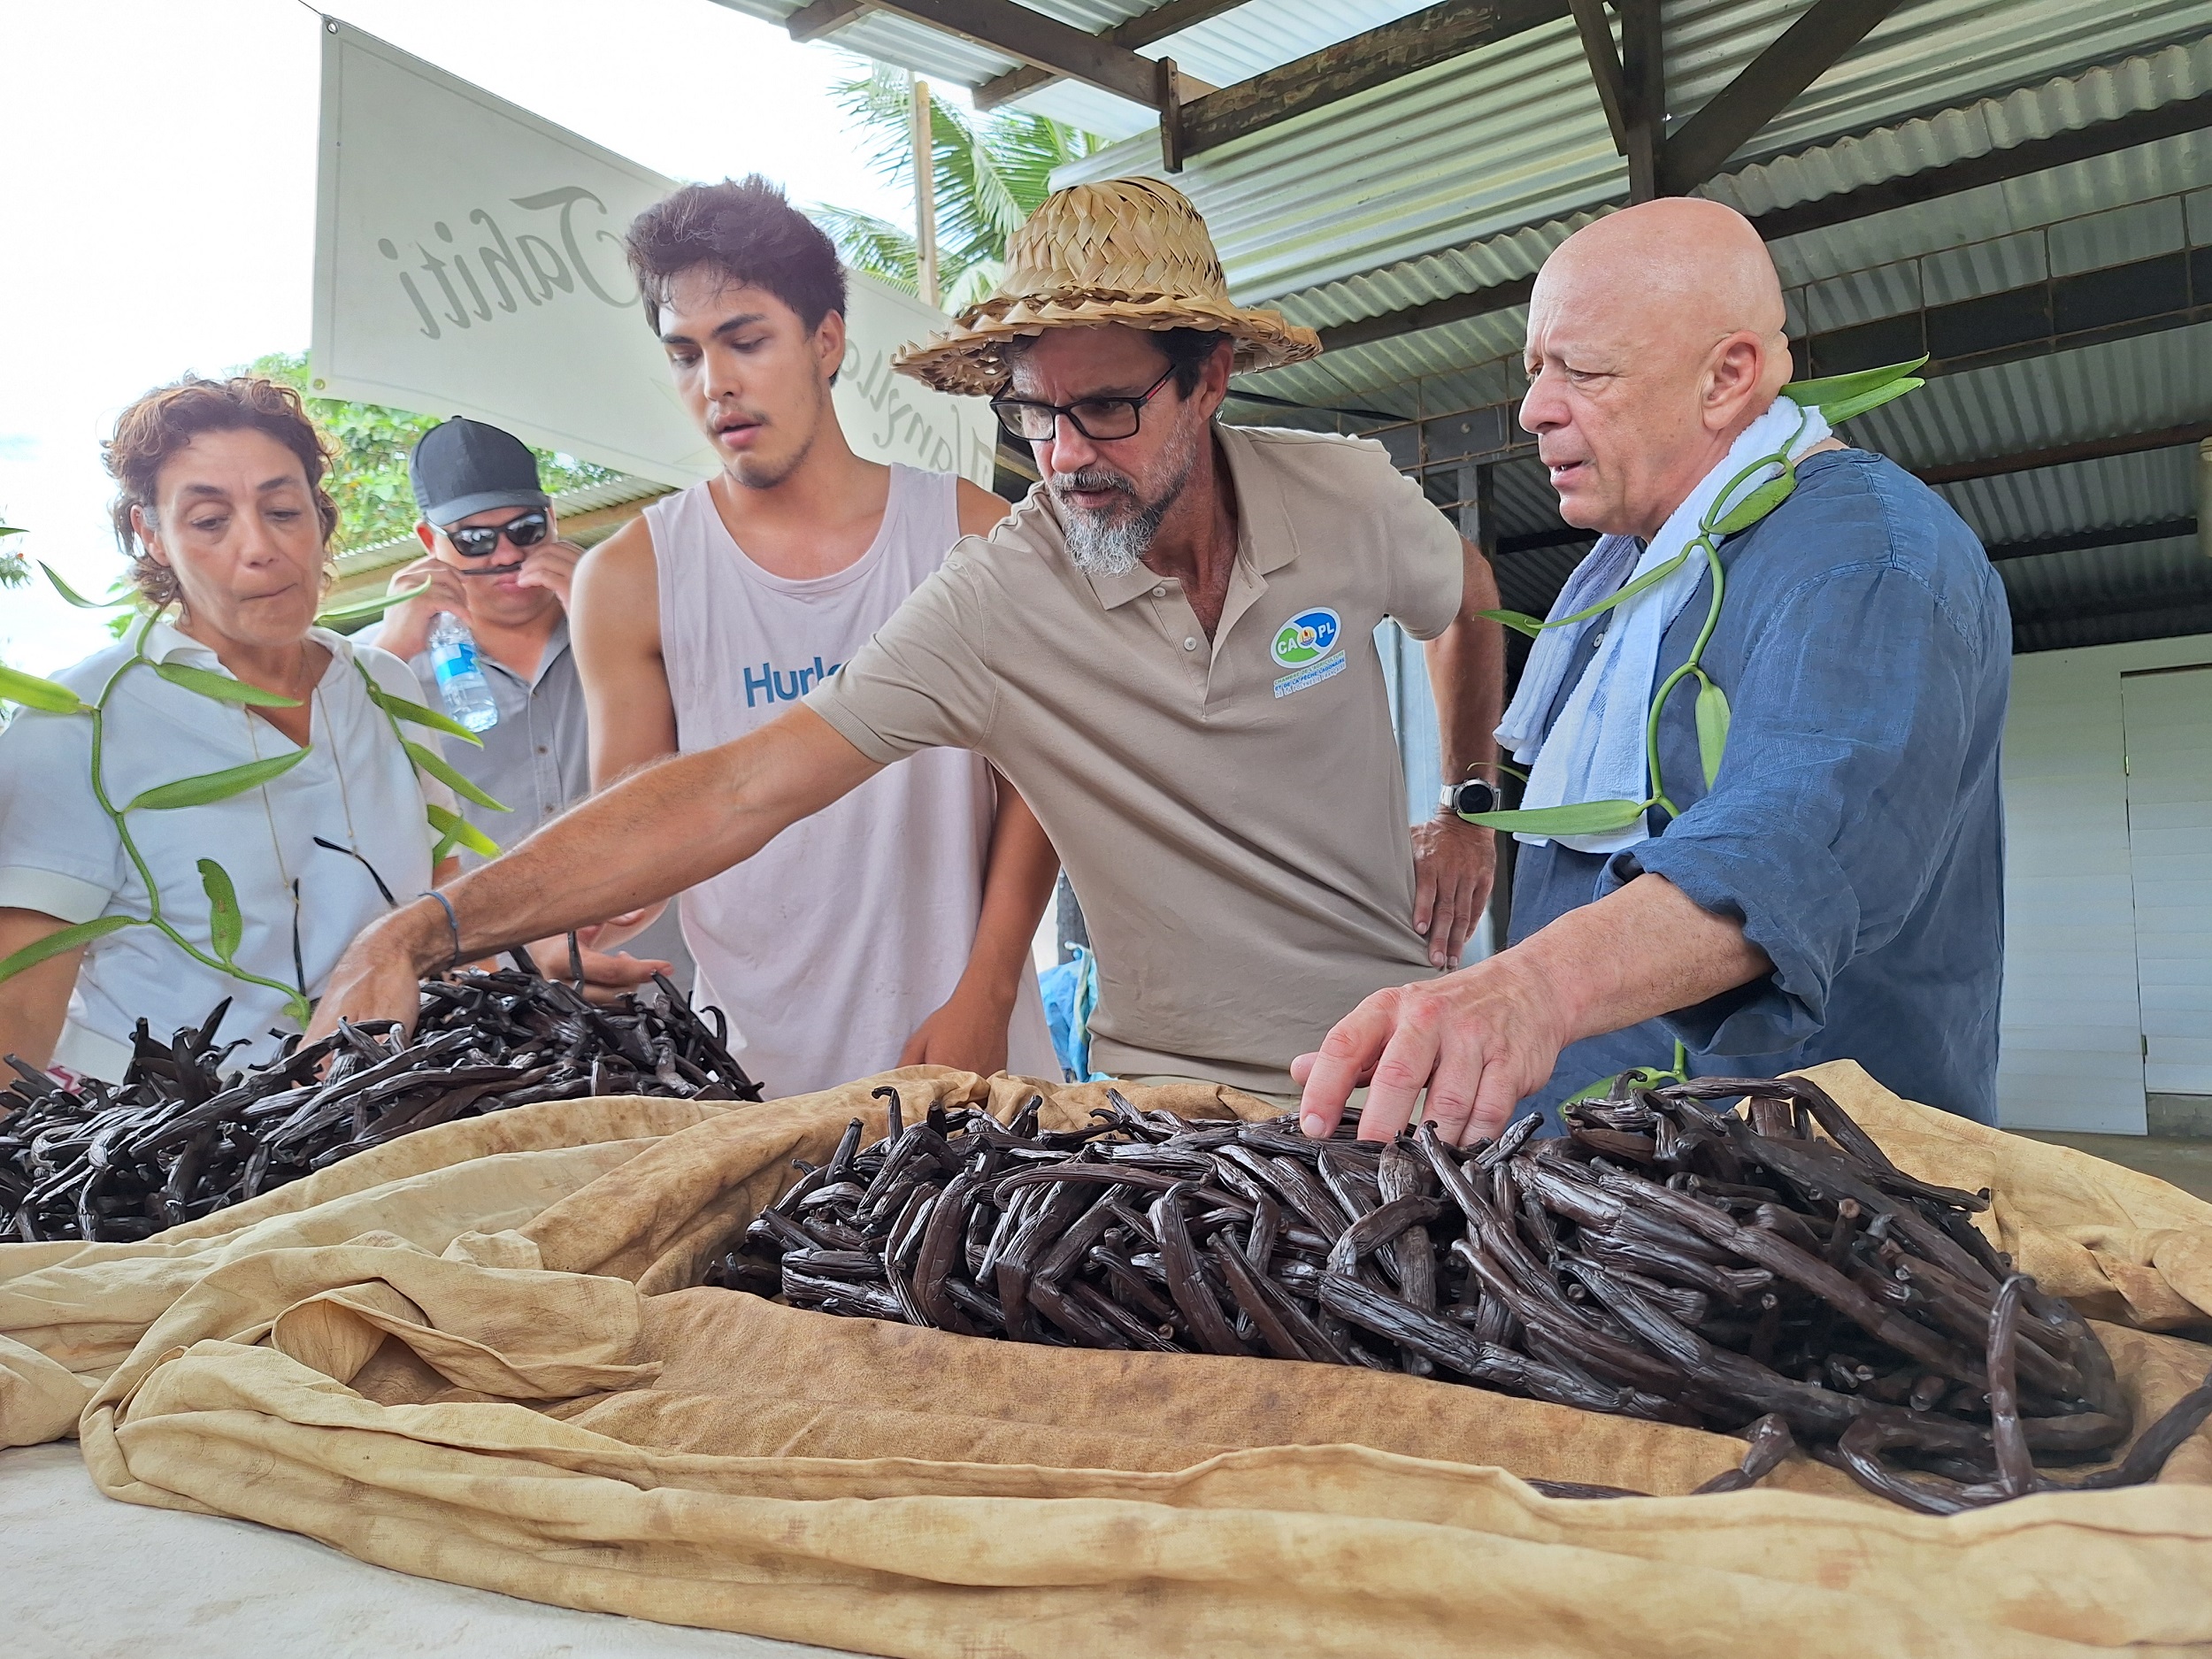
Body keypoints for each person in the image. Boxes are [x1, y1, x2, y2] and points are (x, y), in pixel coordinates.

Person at [310, 176, 1504, 1104]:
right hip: (1165, 1097)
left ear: (1210, 381)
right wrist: (433, 927)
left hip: (1396, 1043)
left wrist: (1469, 801)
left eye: (1108, 410)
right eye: (1035, 415)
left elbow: (1470, 595)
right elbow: (736, 786)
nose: (1068, 457)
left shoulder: (1349, 496)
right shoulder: (1005, 588)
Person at [1295, 196, 2009, 1145]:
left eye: (1582, 372)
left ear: (1727, 378)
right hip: (1601, 1179)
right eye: (1536, 369)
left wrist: (1528, 989)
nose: (1533, 409)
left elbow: (1796, 839)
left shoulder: (1865, 561)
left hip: (1798, 1212)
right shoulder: (1640, 572)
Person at [570, 174, 1059, 1093]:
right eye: (683, 355)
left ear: (825, 340)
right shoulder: (630, 579)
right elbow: (644, 828)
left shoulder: (972, 534)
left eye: (746, 340)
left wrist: (987, 995)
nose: (715, 384)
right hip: (750, 1078)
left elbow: (1040, 789)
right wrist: (570, 922)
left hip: (962, 1049)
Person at [0, 375, 457, 1077]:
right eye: (210, 521)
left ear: (320, 514)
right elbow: (19, 1017)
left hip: (396, 1106)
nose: (259, 546)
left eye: (282, 508)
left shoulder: (382, 688)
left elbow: (442, 887)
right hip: (175, 1151)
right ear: (149, 534)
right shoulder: (79, 724)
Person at [365, 416, 689, 998]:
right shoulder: (380, 661)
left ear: (553, 519)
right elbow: (333, 801)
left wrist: (602, 611)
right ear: (427, 541)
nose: (506, 554)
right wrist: (390, 655)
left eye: (525, 528)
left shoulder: (640, 612)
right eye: (474, 539)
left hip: (667, 963)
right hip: (502, 997)